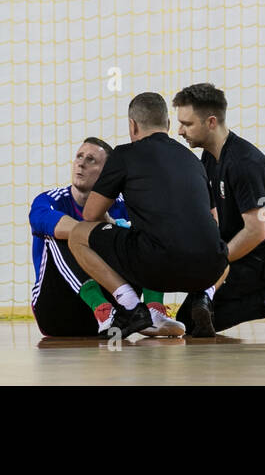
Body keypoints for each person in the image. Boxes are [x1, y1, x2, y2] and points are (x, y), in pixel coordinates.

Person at [67, 93, 229, 341]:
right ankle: (203, 298)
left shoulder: (124, 155)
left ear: (132, 125)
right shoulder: (193, 160)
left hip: (157, 266)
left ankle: (132, 308)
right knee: (219, 248)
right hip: (210, 268)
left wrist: (118, 228)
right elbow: (214, 222)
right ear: (167, 126)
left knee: (78, 234)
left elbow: (90, 214)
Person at [172, 83, 265, 336]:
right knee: (186, 320)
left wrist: (215, 262)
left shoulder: (244, 164)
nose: (180, 131)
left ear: (211, 122)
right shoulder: (210, 158)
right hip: (241, 252)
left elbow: (257, 232)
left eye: (187, 124)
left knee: (193, 322)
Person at [30, 137, 184, 338]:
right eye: (79, 156)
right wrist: (111, 229)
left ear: (106, 173)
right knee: (65, 235)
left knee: (149, 233)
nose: (81, 163)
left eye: (91, 159)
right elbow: (66, 229)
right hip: (58, 311)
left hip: (119, 313)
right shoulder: (49, 201)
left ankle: (152, 312)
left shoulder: (126, 206)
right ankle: (102, 309)